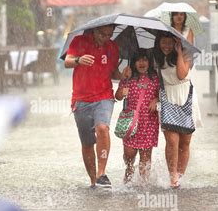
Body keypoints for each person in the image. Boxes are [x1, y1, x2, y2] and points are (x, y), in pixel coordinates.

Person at [64, 24, 127, 189]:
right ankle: (93, 181)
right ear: (94, 31)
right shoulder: (80, 41)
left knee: (103, 128)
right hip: (81, 99)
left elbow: (112, 72)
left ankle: (102, 173)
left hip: (104, 96)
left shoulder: (112, 47)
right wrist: (79, 60)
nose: (105, 38)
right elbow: (67, 61)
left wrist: (123, 76)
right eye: (102, 35)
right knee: (87, 142)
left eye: (109, 35)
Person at [154, 32, 202, 189]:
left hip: (186, 95)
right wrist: (154, 98)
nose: (166, 46)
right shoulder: (156, 58)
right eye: (163, 42)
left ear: (176, 43)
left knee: (185, 142)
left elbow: (182, 75)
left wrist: (180, 51)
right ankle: (172, 176)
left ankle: (180, 176)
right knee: (172, 141)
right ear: (158, 43)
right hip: (167, 96)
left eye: (170, 43)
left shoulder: (186, 54)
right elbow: (154, 81)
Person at [115, 49, 159, 185]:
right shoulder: (128, 78)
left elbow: (161, 94)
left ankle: (143, 185)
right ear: (133, 63)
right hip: (131, 122)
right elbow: (117, 96)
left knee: (145, 158)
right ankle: (128, 170)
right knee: (129, 154)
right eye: (138, 60)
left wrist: (156, 100)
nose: (142, 63)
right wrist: (122, 87)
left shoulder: (154, 77)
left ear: (149, 62)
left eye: (145, 59)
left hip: (149, 122)